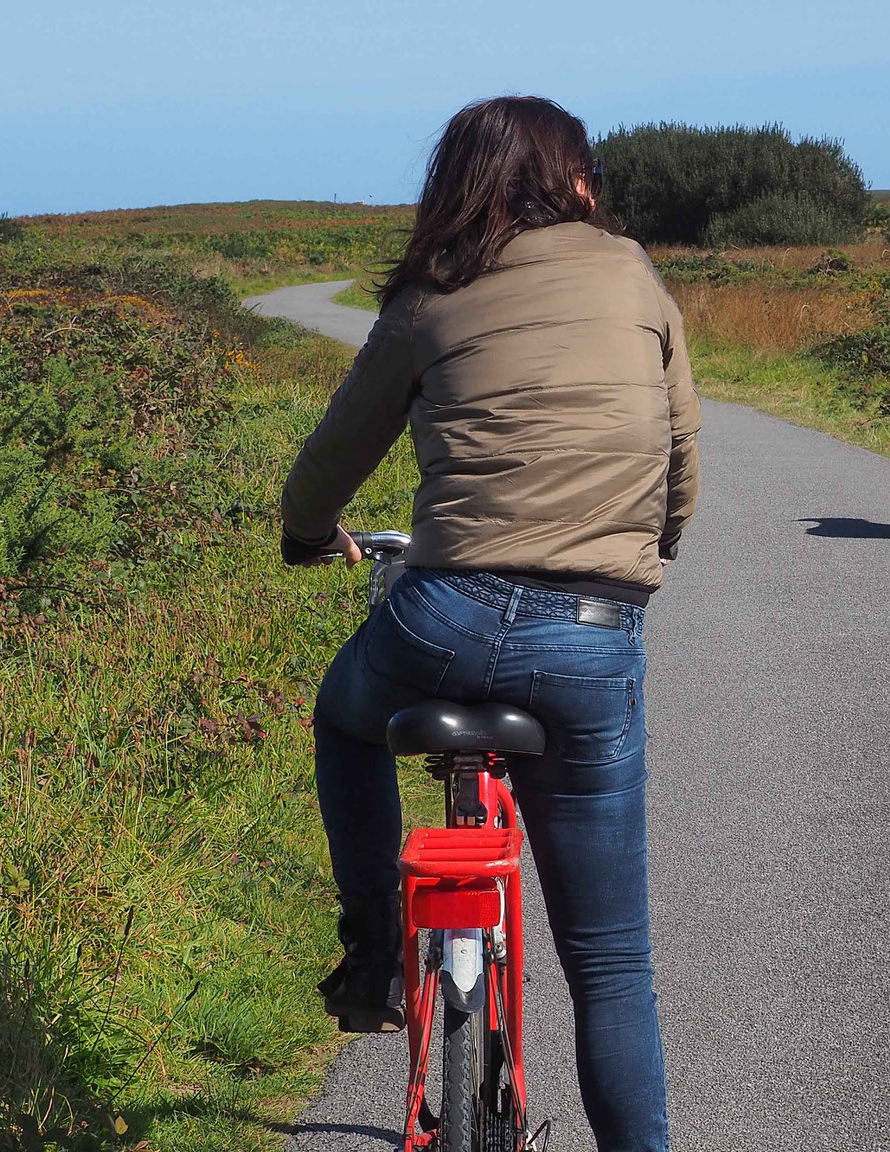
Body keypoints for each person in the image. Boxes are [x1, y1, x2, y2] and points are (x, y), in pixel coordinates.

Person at [279, 95, 698, 1151]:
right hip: (591, 632)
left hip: (442, 614)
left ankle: (373, 950)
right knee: (610, 963)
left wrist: (306, 530)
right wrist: (644, 558)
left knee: (343, 715)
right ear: (575, 181)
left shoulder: (433, 292)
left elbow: (335, 452)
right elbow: (680, 460)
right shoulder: (634, 274)